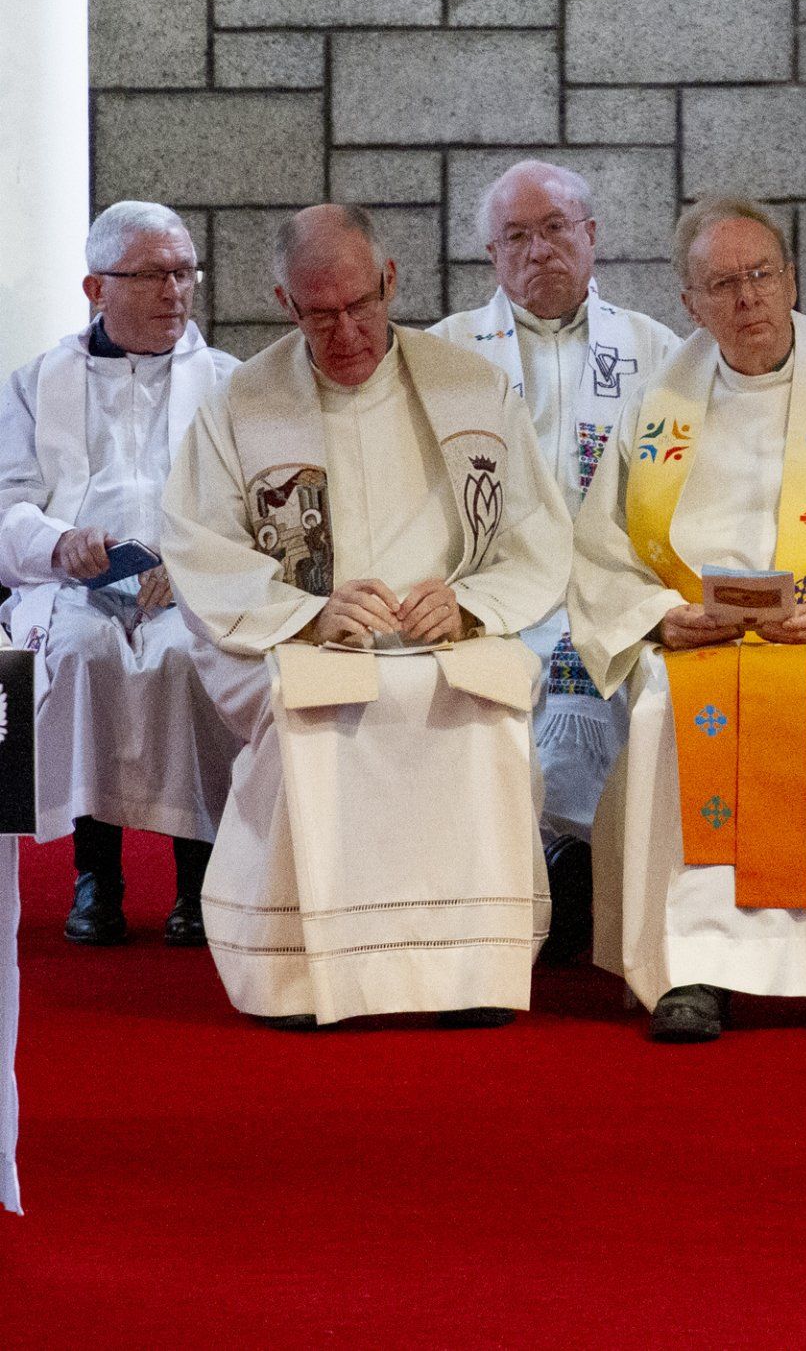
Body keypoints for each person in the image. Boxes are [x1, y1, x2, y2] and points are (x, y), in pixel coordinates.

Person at [161, 204, 570, 1029]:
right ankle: (301, 979)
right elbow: (198, 543)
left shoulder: (470, 387)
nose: (345, 331)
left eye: (360, 304)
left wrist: (467, 602)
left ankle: (469, 970)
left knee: (473, 708)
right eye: (320, 313)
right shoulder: (244, 403)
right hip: (312, 639)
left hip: (447, 636)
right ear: (285, 302)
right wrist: (310, 612)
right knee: (321, 711)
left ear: (391, 281)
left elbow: (536, 532)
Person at [569, 197, 806, 1041]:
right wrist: (661, 619)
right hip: (695, 636)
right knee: (667, 700)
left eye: (760, 275)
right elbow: (600, 551)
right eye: (721, 284)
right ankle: (692, 970)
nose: (746, 299)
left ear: (791, 279)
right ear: (689, 304)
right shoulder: (656, 404)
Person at [430, 160, 677, 962]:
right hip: (492, 592)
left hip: (620, 588)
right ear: (492, 256)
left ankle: (597, 871)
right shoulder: (444, 355)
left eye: (555, 229)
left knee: (617, 672)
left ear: (592, 236)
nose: (538, 251)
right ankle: (515, 879)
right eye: (516, 237)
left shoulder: (658, 350)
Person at [0, 201, 241, 947]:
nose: (175, 291)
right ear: (95, 287)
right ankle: (96, 876)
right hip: (75, 583)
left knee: (185, 659)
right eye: (153, 275)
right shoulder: (36, 383)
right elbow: (8, 501)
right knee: (80, 654)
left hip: (186, 585)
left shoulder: (230, 383)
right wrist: (59, 540)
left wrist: (191, 562)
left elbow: (252, 507)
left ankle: (197, 883)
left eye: (184, 272)